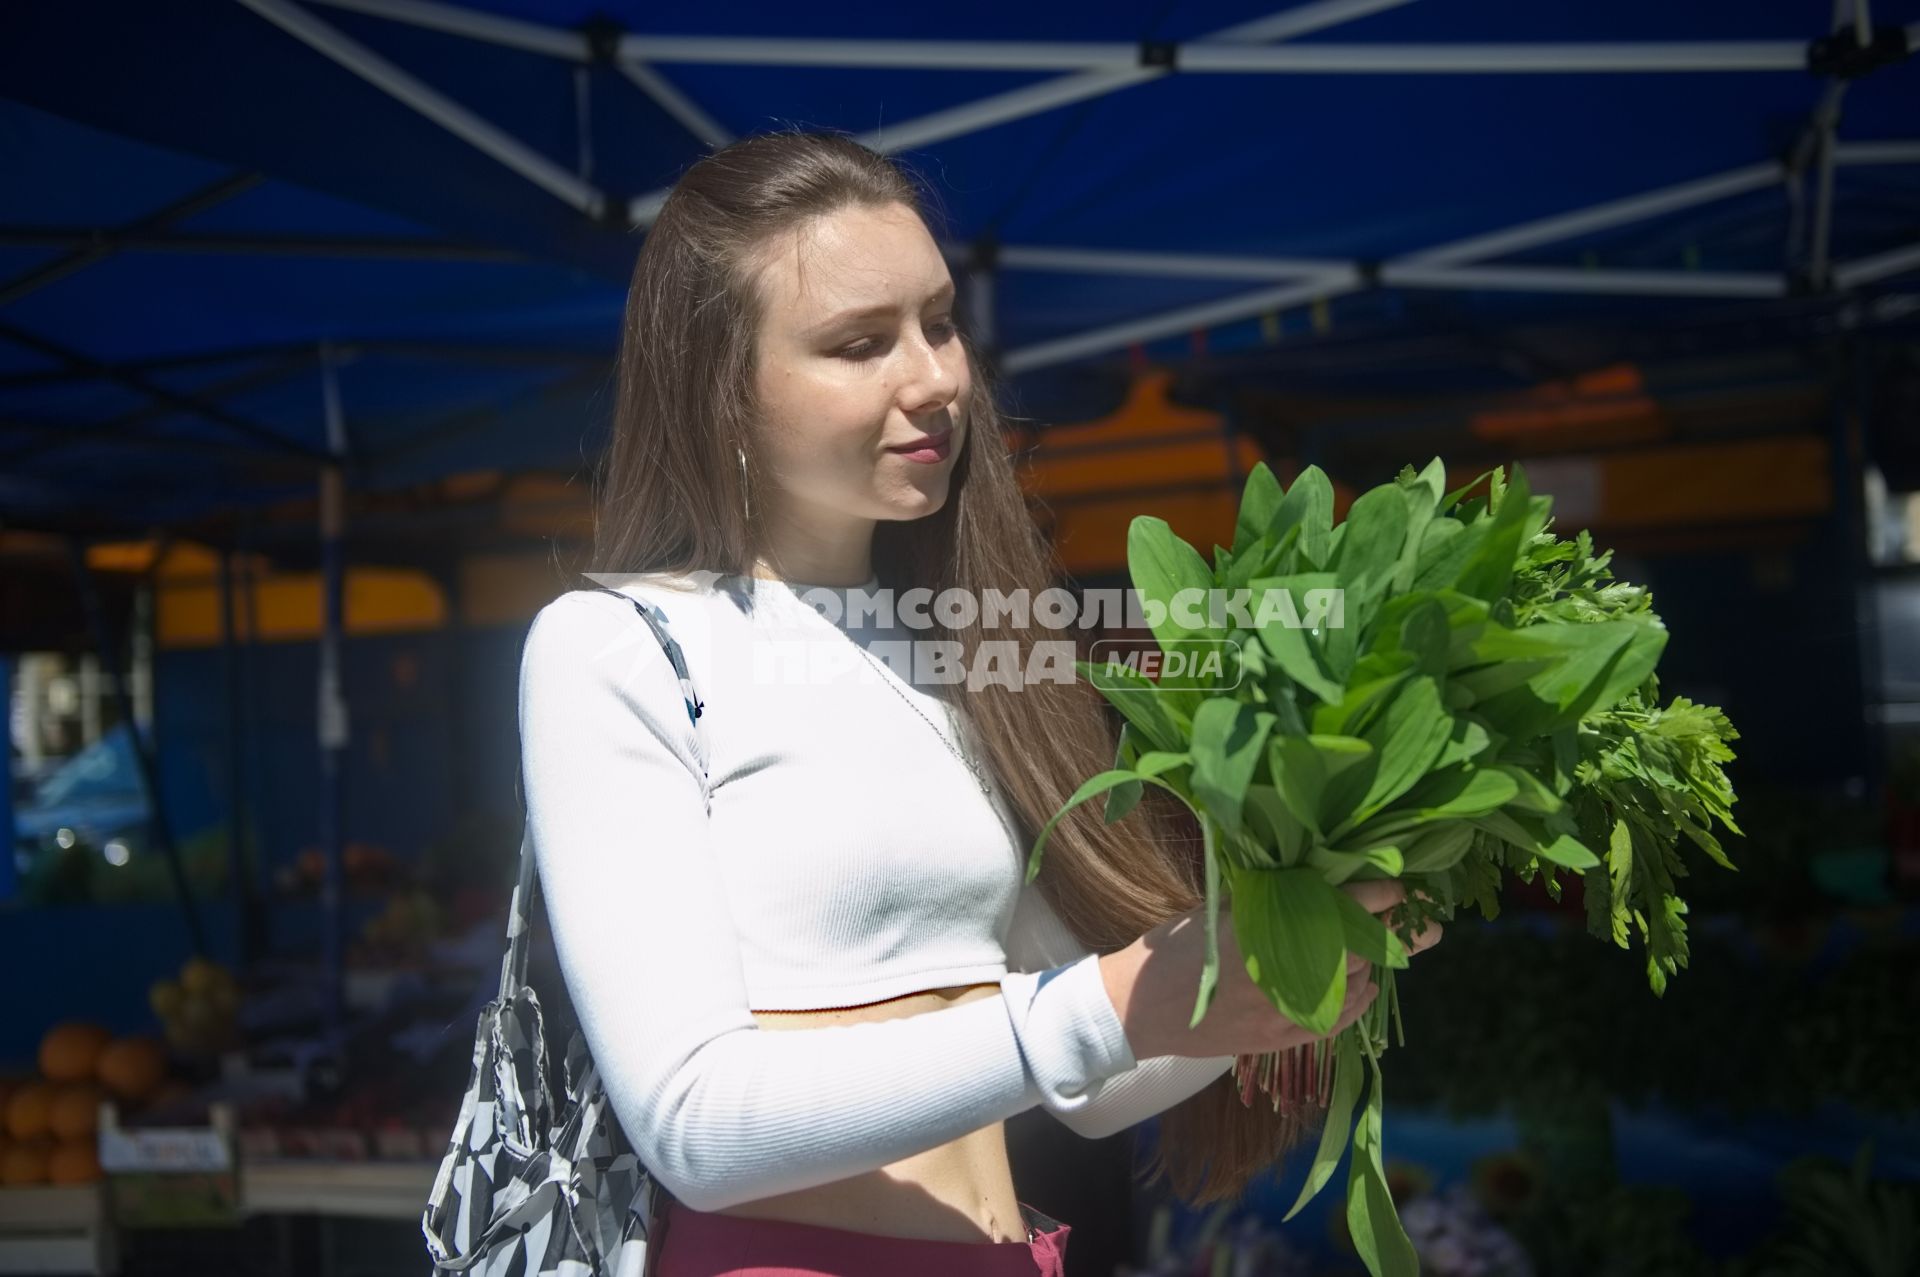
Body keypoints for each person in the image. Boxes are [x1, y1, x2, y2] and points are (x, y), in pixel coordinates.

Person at [516, 129, 1442, 1277]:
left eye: (940, 320)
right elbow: (696, 1124)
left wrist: (1291, 965)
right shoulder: (617, 645)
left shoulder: (966, 648)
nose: (937, 377)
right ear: (721, 391)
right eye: (861, 343)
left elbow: (1094, 1087)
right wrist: (1107, 1006)